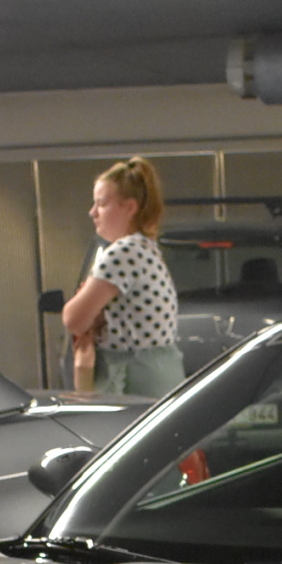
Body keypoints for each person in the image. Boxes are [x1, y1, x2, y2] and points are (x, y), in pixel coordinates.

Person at [60, 156, 183, 397]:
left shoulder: (123, 251)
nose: (92, 212)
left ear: (129, 207)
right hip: (158, 374)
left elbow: (74, 319)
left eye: (101, 204)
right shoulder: (147, 248)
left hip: (132, 380)